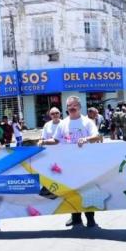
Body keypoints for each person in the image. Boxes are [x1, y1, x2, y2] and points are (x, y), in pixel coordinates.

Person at [43, 96, 101, 228]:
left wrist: (86, 139)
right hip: (68, 164)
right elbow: (56, 140)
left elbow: (97, 136)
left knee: (87, 191)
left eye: (74, 105)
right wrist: (44, 141)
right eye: (69, 106)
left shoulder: (87, 122)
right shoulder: (63, 123)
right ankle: (75, 217)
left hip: (85, 164)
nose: (72, 108)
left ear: (80, 107)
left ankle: (90, 218)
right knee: (71, 191)